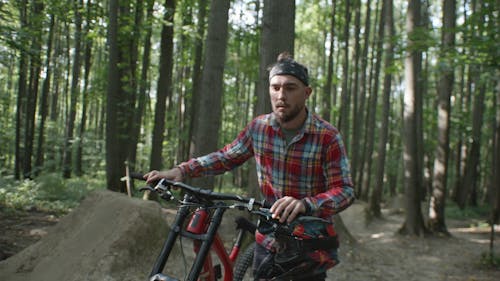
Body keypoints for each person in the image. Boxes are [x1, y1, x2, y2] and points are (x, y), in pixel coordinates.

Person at [145, 52, 355, 281]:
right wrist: (180, 171)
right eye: (275, 88)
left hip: (308, 244)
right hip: (268, 237)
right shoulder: (259, 128)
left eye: (290, 88)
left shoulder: (327, 136)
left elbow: (345, 191)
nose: (281, 95)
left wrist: (306, 204)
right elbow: (225, 156)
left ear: (307, 93)